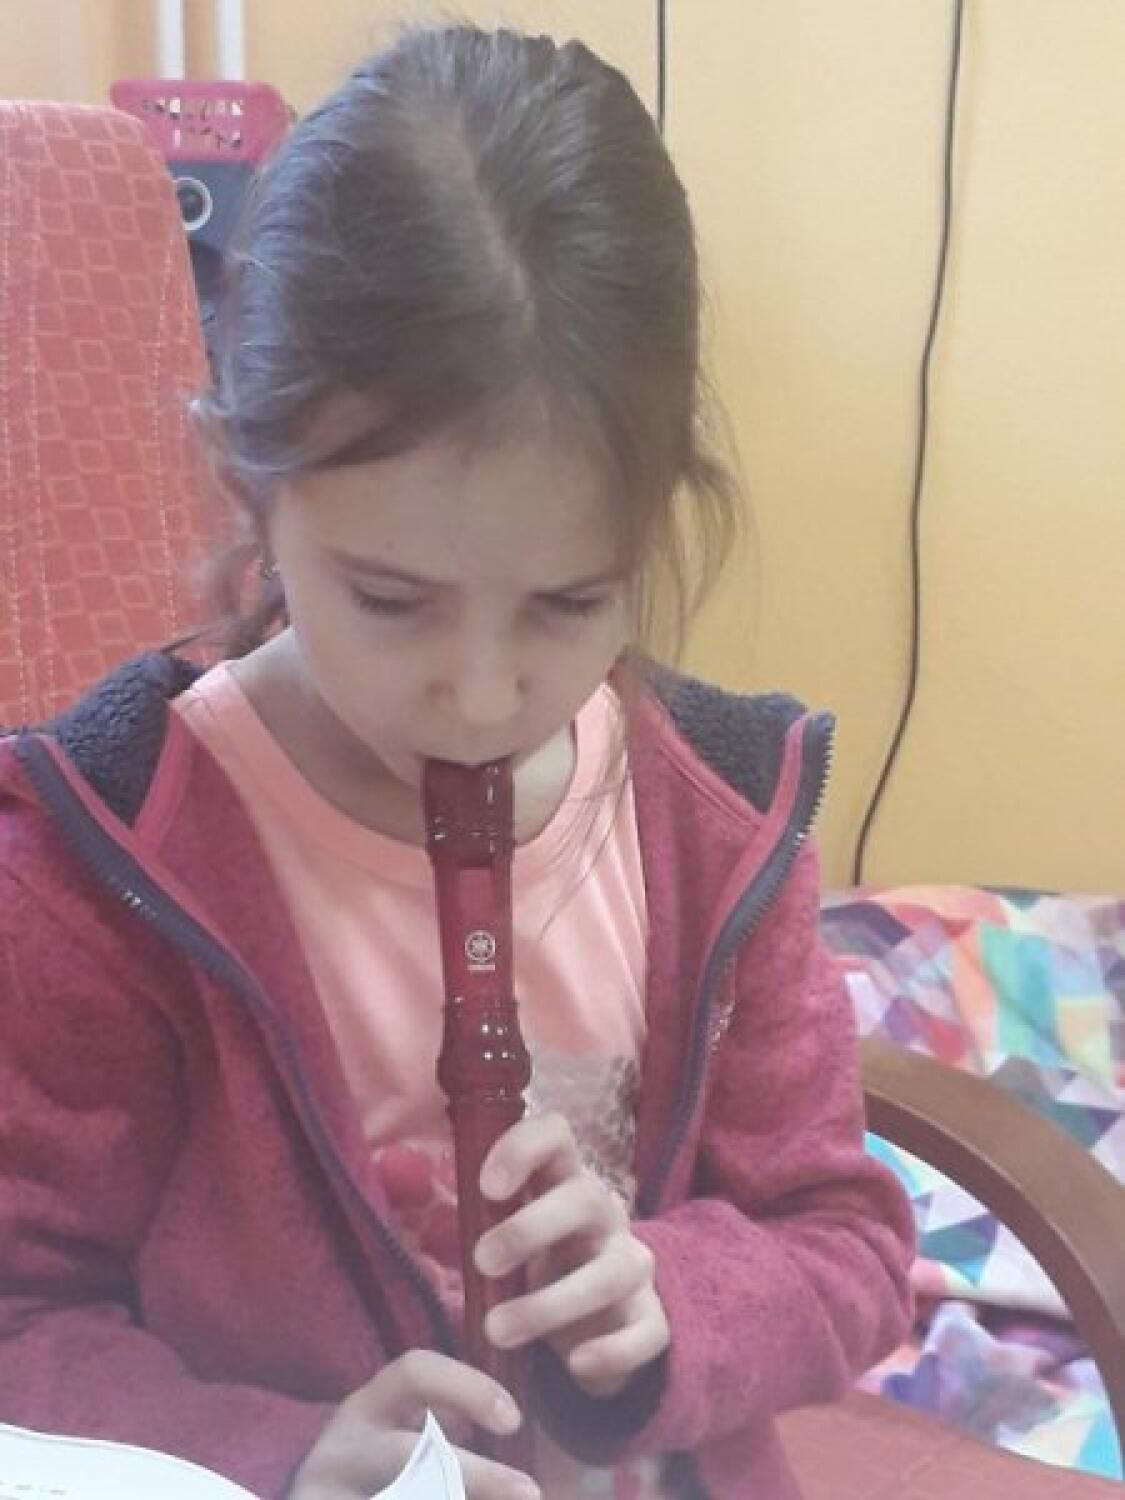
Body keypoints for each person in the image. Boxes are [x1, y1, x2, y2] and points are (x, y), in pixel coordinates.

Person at [0, 24, 913, 1500]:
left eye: (569, 602)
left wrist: (670, 1297)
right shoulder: (102, 854)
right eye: (388, 600)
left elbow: (848, 1246)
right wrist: (278, 1453)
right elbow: (18, 1316)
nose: (483, 697)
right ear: (249, 489)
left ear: (653, 525)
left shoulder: (717, 819)